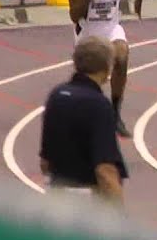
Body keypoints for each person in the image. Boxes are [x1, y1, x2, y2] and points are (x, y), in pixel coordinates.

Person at [67, 0, 142, 137]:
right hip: (88, 31)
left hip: (111, 26)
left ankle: (115, 113)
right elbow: (74, 16)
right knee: (91, 80)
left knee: (122, 57)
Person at [39, 37, 127, 205]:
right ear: (106, 68)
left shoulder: (56, 96)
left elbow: (45, 162)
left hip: (55, 196)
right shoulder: (99, 105)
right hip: (87, 203)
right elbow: (105, 170)